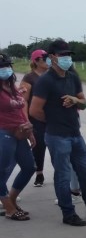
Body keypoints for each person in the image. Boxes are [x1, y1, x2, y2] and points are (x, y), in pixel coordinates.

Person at [29, 39, 86, 226]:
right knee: (63, 176)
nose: (67, 58)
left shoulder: (72, 76)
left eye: (68, 55)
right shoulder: (45, 81)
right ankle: (68, 213)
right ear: (52, 57)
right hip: (57, 136)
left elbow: (84, 104)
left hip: (76, 134)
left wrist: (75, 100)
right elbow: (34, 110)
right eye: (63, 55)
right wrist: (53, 120)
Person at [0, 54, 36, 221]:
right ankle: (8, 207)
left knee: (29, 167)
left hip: (20, 131)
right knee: (2, 169)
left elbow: (20, 110)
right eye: (1, 67)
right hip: (3, 132)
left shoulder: (11, 87)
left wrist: (29, 131)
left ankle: (12, 200)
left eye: (7, 66)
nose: (5, 69)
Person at [20, 49, 49, 187]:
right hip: (36, 117)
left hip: (52, 116)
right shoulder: (29, 78)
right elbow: (23, 101)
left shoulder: (52, 75)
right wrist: (25, 119)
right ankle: (39, 172)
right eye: (45, 58)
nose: (48, 60)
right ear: (36, 61)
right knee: (39, 146)